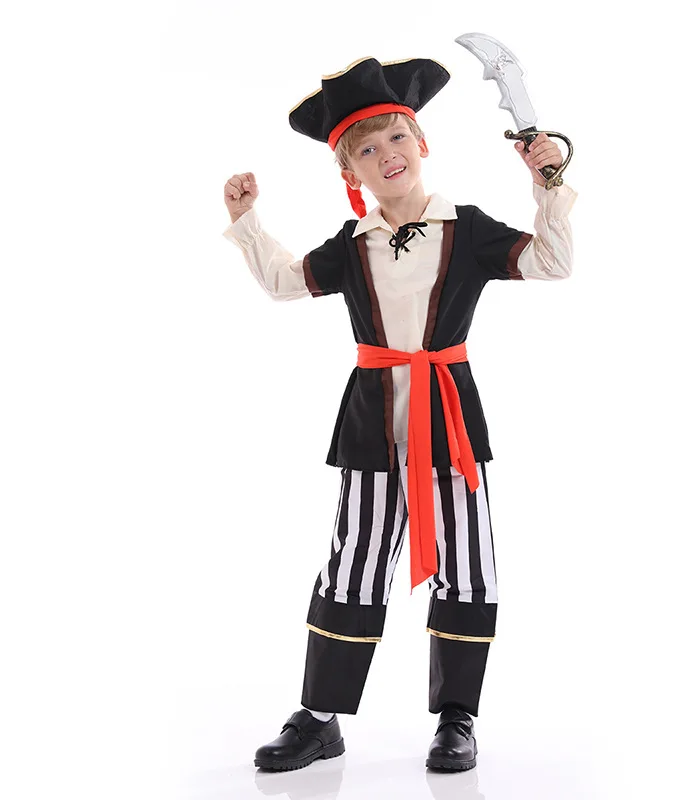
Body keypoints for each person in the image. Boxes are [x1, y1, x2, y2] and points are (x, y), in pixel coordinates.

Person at [222, 56, 577, 772]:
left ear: (422, 143)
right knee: (352, 564)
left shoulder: (468, 229)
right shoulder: (353, 245)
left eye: (395, 137)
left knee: (467, 564)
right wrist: (247, 222)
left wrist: (548, 185)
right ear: (350, 173)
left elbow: (552, 262)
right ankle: (320, 718)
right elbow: (286, 283)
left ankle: (457, 718)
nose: (386, 154)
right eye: (365, 149)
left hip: (450, 420)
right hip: (371, 427)